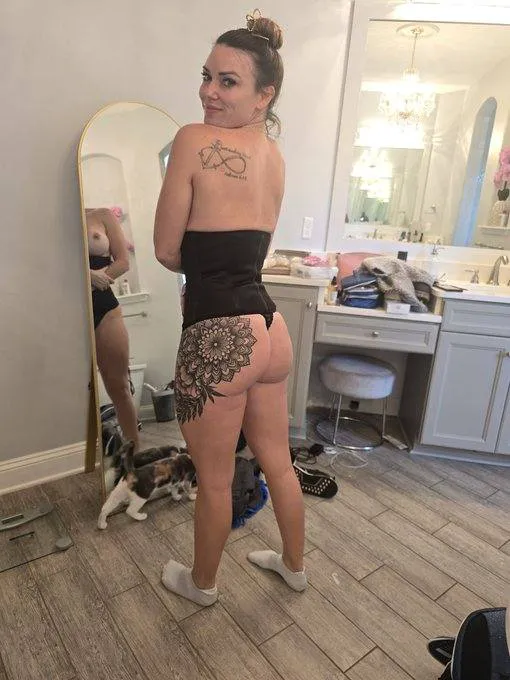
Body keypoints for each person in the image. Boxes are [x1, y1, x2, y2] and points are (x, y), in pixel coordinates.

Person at [154, 9, 306, 606]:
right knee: (279, 463)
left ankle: (202, 584)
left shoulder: (193, 140)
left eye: (227, 81)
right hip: (269, 327)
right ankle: (293, 566)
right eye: (206, 76)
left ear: (265, 95)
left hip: (220, 333)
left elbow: (166, 250)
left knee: (215, 481)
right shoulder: (275, 155)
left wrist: (193, 262)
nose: (208, 92)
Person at [87, 207, 140, 451]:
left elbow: (123, 262)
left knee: (119, 386)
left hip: (105, 306)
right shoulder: (49, 221)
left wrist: (98, 278)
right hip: (67, 310)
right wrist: (86, 275)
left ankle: (134, 455)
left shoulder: (101, 215)